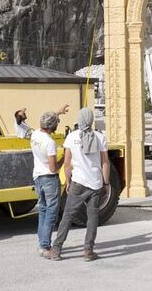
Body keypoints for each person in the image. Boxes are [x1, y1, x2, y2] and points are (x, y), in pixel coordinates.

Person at [44, 108, 108, 262]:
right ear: (91, 120)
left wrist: (68, 181)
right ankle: (88, 251)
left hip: (78, 183)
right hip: (96, 184)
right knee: (92, 217)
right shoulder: (100, 137)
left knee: (67, 216)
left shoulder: (71, 137)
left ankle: (56, 249)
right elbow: (105, 162)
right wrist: (106, 183)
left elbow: (67, 164)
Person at [32, 111, 64, 256]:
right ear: (52, 126)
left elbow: (47, 119)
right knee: (51, 213)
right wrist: (63, 158)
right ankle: (45, 246)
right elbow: (53, 168)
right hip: (49, 179)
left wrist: (58, 112)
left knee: (43, 210)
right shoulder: (50, 143)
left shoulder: (35, 135)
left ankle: (41, 243)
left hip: (38, 177)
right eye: (57, 122)